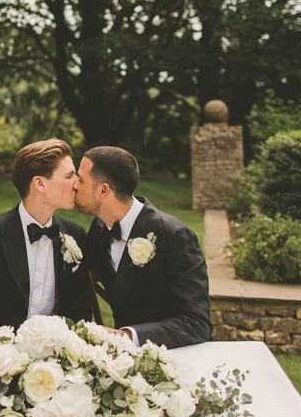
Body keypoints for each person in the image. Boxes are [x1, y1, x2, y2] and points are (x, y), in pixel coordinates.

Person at [0, 138, 95, 343]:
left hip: (55, 362)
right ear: (40, 183)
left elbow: (80, 314)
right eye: (69, 175)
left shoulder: (75, 236)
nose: (76, 183)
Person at [73, 145, 211, 349]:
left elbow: (196, 324)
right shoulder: (100, 229)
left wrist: (128, 336)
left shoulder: (175, 237)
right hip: (125, 366)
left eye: (81, 179)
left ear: (103, 190)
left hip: (174, 357)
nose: (75, 185)